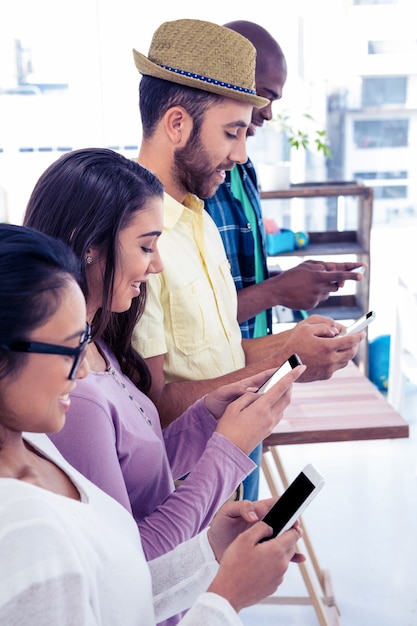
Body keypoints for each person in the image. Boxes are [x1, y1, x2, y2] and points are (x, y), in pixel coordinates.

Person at [0, 222, 306, 625]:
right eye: (66, 350)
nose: (82, 374)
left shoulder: (35, 445)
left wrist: (210, 552)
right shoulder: (26, 534)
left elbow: (114, 597)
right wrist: (227, 599)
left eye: (83, 343)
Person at [23, 148, 304, 570]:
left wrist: (208, 418)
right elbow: (132, 557)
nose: (156, 266)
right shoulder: (75, 393)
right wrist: (228, 450)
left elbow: (142, 470)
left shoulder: (98, 346)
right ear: (89, 245)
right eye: (146, 247)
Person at [131, 18, 365, 499]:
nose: (241, 154)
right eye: (232, 133)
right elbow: (151, 412)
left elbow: (220, 354)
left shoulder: (199, 217)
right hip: (180, 497)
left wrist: (294, 344)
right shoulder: (136, 240)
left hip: (223, 480)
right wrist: (289, 354)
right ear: (177, 124)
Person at [204, 20, 366, 498]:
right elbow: (201, 319)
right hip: (214, 394)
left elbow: (235, 280)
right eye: (263, 95)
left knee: (242, 515)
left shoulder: (243, 168)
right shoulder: (190, 190)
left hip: (254, 378)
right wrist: (277, 292)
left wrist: (298, 283)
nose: (270, 114)